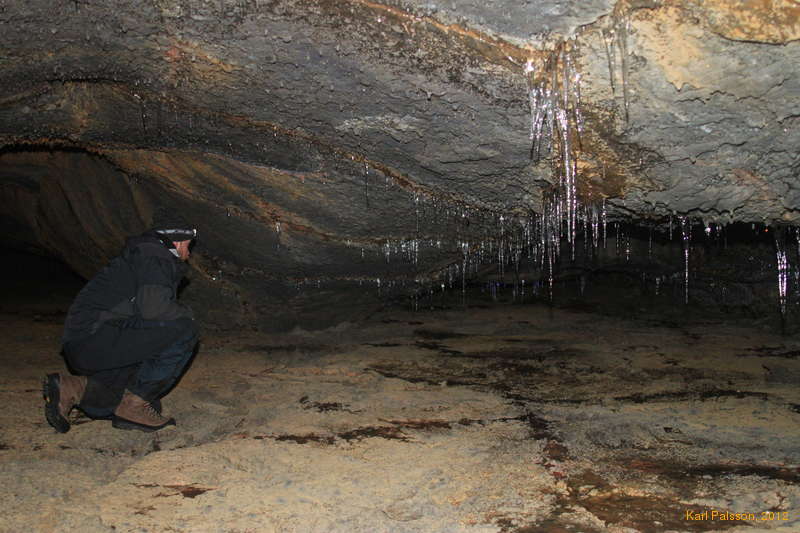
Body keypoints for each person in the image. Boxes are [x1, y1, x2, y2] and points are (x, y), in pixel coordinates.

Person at [43, 219, 199, 433]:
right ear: (179, 242)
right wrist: (187, 315)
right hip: (97, 338)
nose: (189, 254)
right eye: (189, 246)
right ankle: (134, 406)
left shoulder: (142, 256)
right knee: (183, 328)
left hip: (89, 342)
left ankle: (73, 388)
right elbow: (155, 309)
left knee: (118, 402)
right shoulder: (155, 256)